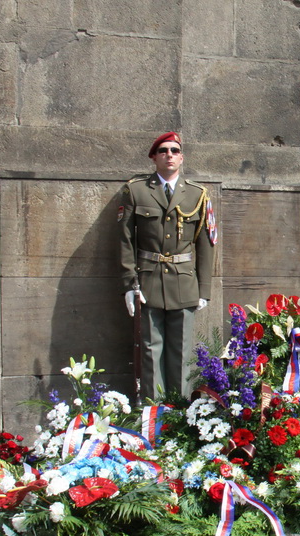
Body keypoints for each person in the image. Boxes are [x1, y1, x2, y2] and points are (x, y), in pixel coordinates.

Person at [117, 132, 218, 400]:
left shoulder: (198, 194)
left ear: (182, 157)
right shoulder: (136, 190)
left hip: (184, 281)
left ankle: (181, 411)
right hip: (148, 280)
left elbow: (207, 244)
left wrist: (204, 289)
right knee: (151, 349)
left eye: (175, 150)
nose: (169, 155)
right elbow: (125, 240)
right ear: (154, 157)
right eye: (163, 150)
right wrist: (129, 284)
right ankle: (154, 413)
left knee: (182, 350)